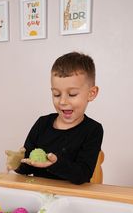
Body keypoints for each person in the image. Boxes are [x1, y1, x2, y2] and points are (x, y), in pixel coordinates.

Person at [15, 51, 103, 185]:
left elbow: (82, 175)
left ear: (91, 94)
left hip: (72, 197)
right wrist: (17, 163)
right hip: (40, 193)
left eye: (72, 94)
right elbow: (27, 166)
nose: (62, 101)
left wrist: (54, 164)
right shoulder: (42, 124)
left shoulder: (93, 130)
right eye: (56, 94)